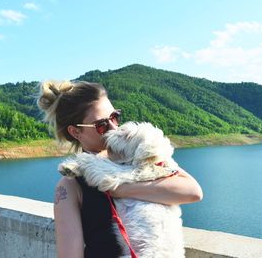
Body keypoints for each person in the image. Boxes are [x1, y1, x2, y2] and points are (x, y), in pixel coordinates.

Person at [37, 80, 203, 258]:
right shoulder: (69, 186)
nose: (114, 128)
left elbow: (193, 191)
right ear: (76, 132)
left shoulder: (135, 154)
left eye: (114, 117)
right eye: (101, 125)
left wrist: (118, 188)